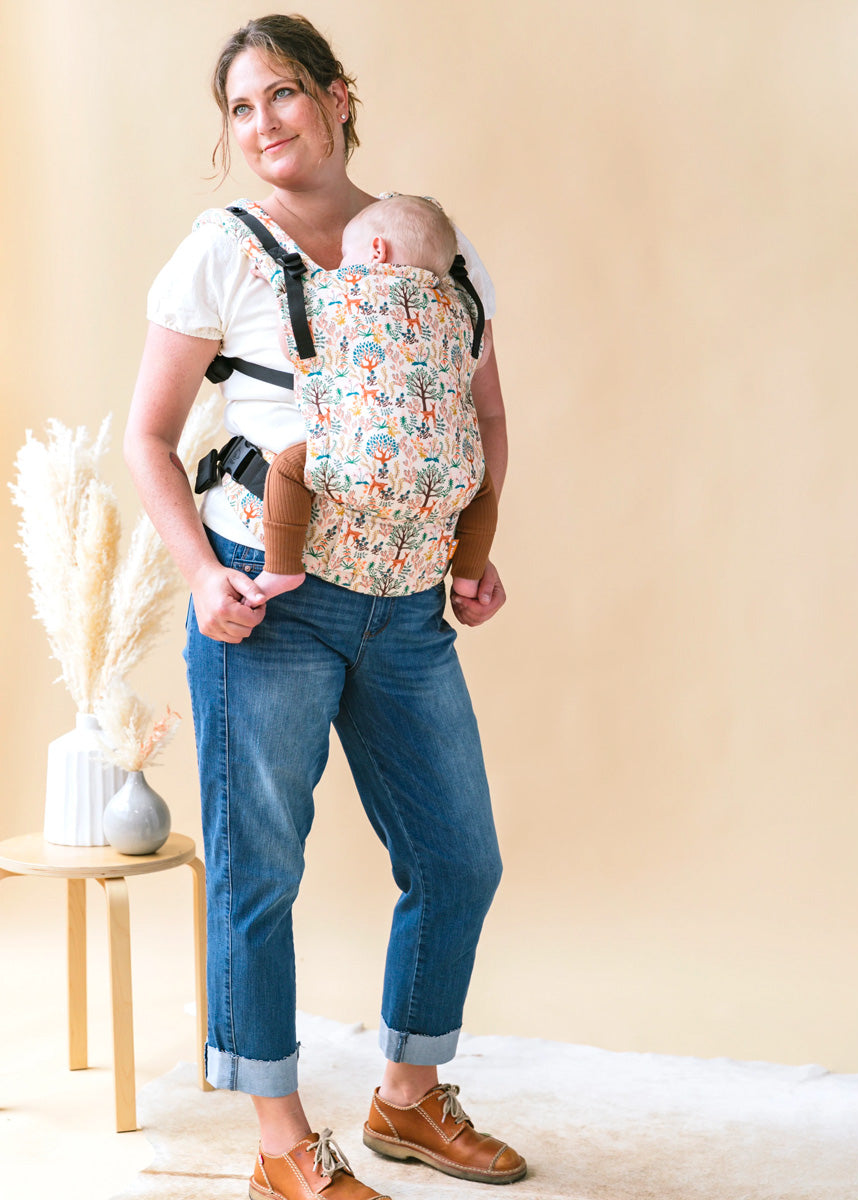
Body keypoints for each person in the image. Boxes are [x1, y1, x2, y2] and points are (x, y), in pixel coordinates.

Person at [124, 13, 522, 1200]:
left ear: (340, 97)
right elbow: (146, 435)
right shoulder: (223, 251)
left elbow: (481, 415)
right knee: (262, 874)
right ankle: (284, 1150)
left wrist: (471, 544)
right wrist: (203, 577)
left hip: (405, 609)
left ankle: (406, 1101)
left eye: (283, 96)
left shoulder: (434, 249)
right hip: (269, 601)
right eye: (240, 111)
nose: (264, 127)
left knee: (458, 860)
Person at [253, 193, 498, 604]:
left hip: (361, 464)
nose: (341, 265)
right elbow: (480, 354)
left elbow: (292, 342)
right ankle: (469, 578)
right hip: (449, 475)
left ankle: (282, 569)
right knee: (483, 490)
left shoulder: (338, 295)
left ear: (376, 251)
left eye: (346, 255)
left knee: (287, 469)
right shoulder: (460, 310)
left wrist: (284, 298)